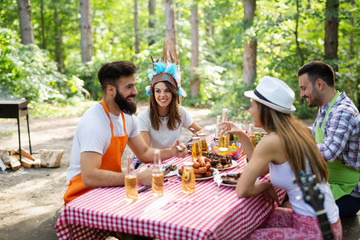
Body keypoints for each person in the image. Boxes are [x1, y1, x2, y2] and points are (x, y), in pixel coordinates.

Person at [221, 76, 341, 239]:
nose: (249, 111)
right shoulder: (295, 132)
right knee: (256, 218)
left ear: (265, 110)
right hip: (327, 222)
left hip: (317, 231)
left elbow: (242, 190)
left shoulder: (271, 141)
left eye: (252, 106)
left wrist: (266, 187)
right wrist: (241, 135)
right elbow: (262, 169)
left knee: (243, 235)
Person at [64, 61, 187, 203]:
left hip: (110, 189)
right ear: (111, 90)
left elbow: (145, 152)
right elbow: (89, 177)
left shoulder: (127, 116)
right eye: (129, 87)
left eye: (134, 86)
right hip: (82, 195)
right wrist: (138, 177)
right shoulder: (94, 122)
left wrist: (172, 151)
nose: (135, 92)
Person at [298, 61, 360, 218]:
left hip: (347, 194)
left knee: (291, 206)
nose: (302, 94)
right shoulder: (327, 107)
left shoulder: (342, 111)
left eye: (304, 88)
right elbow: (315, 133)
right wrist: (289, 133)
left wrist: (291, 146)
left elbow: (327, 152)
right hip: (330, 185)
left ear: (319, 84)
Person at [137, 57, 201, 148]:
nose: (162, 95)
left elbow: (199, 131)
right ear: (152, 93)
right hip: (152, 160)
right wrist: (172, 152)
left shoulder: (181, 112)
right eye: (158, 91)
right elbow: (146, 152)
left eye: (167, 91)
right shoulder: (143, 117)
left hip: (174, 158)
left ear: (173, 93)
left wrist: (189, 143)